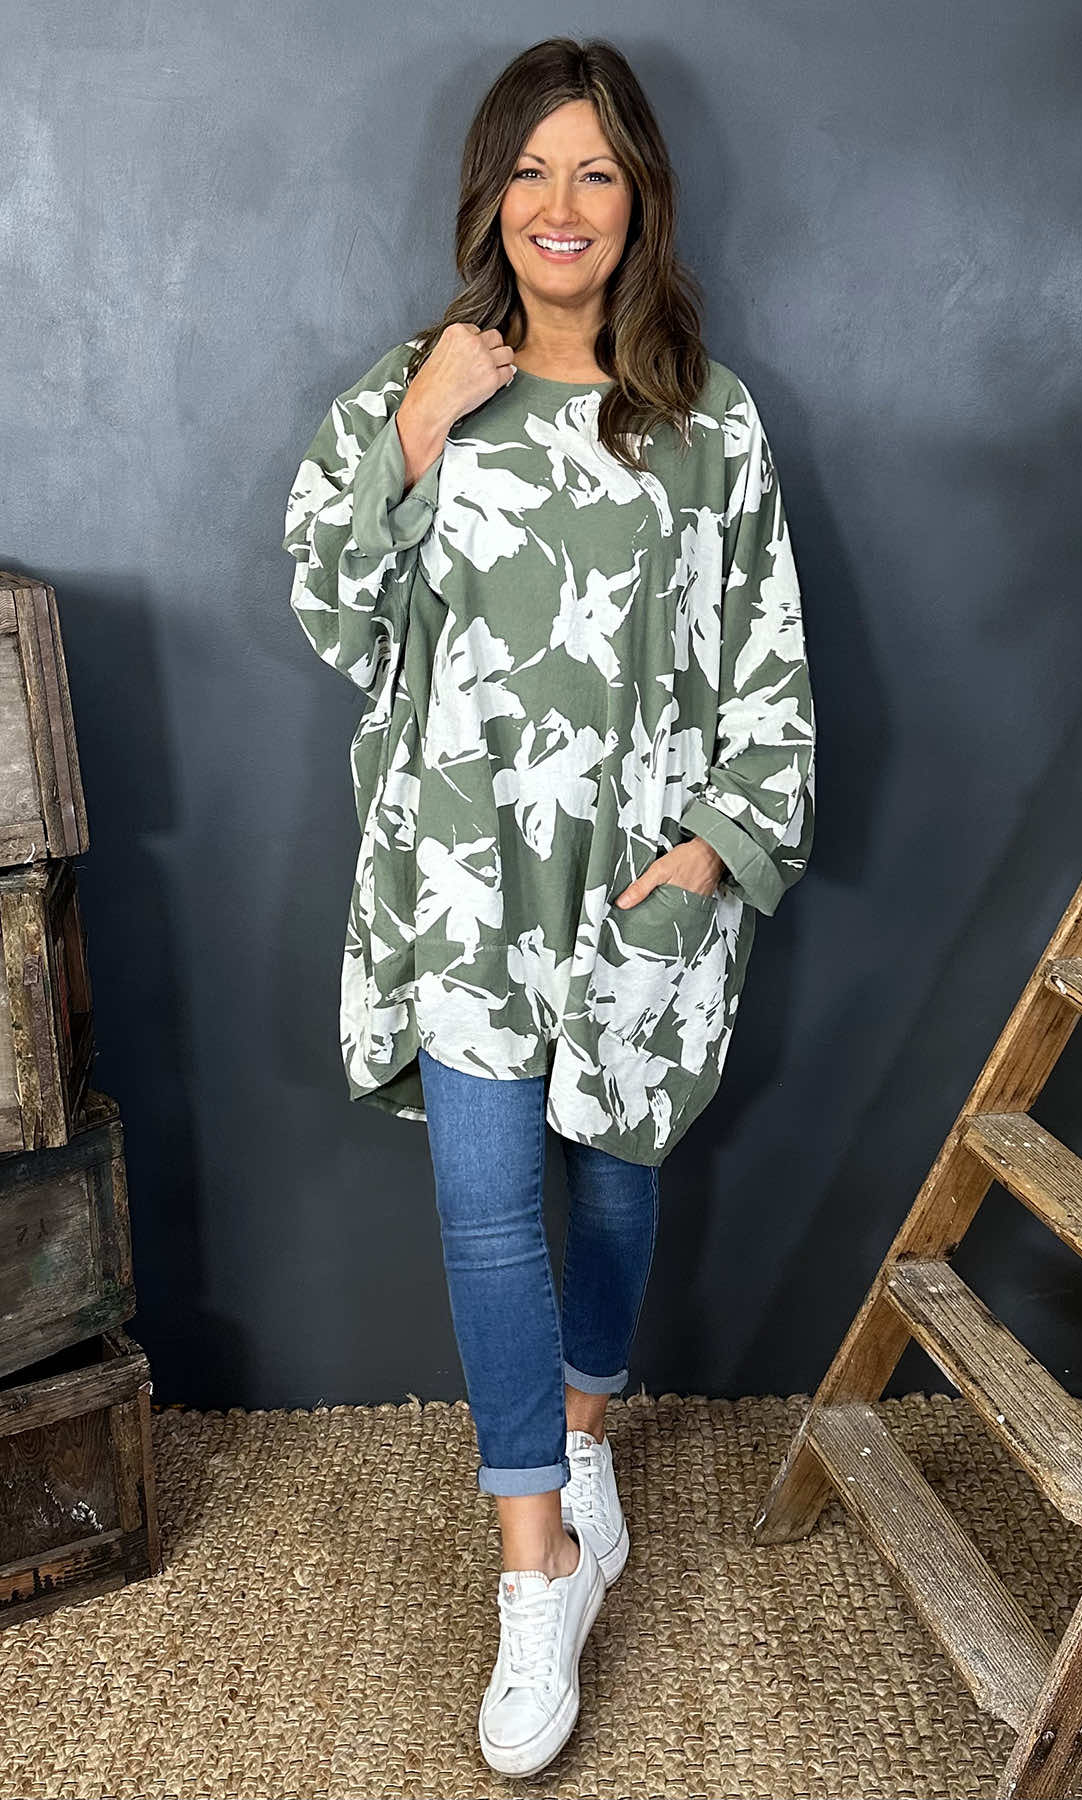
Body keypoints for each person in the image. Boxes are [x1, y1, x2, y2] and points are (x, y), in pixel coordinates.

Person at [283, 35, 816, 1780]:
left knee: (613, 1187)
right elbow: (331, 608)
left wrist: (715, 852)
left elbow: (769, 659)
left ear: (640, 196)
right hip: (463, 876)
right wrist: (421, 427)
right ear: (489, 196)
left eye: (594, 170)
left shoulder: (710, 419)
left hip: (635, 879)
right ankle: (539, 1565)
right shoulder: (420, 384)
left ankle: (585, 1428)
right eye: (529, 170)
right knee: (486, 1209)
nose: (560, 205)